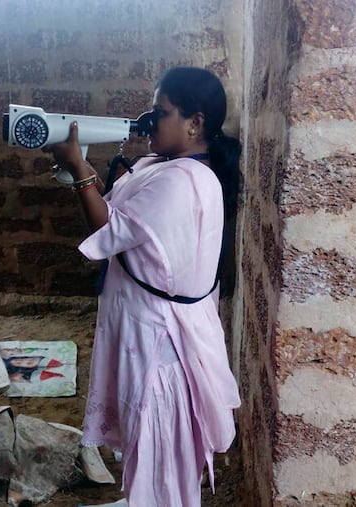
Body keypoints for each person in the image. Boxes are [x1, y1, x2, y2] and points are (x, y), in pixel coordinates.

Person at [45, 66, 242, 506]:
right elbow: (119, 214)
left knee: (160, 451)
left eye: (161, 111)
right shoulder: (166, 166)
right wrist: (80, 172)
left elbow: (108, 230)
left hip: (161, 344)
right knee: (152, 449)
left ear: (195, 124)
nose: (149, 120)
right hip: (150, 330)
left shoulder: (180, 182)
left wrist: (78, 166)